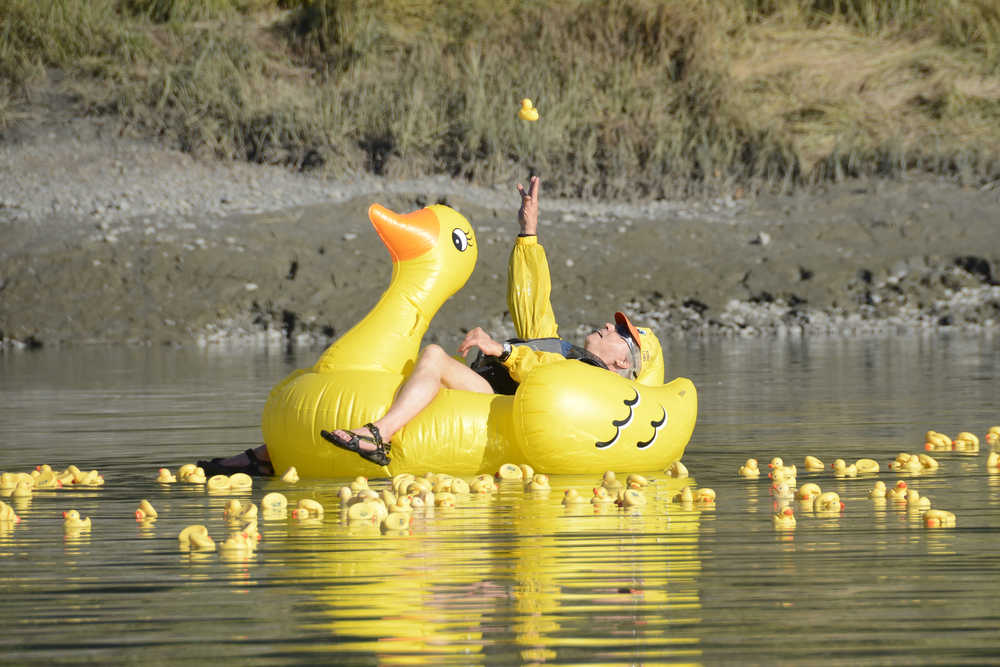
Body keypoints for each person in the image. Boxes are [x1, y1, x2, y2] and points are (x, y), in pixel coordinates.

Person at [199, 175, 662, 474]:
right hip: (496, 390)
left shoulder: (599, 387)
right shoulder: (565, 351)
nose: (609, 325)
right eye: (616, 323)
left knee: (435, 357)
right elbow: (534, 303)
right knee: (397, 373)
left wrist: (502, 350)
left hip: (506, 405)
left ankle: (377, 436)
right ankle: (265, 455)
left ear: (625, 363)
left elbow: (548, 382)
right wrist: (528, 232)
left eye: (622, 333)